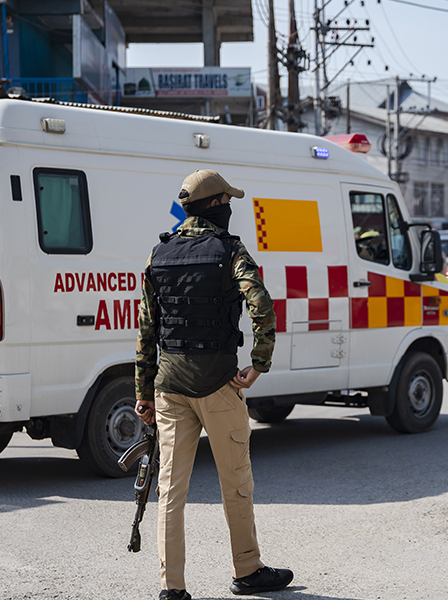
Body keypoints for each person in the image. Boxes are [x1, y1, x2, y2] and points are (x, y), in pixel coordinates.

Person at [135, 169, 293, 599]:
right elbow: (261, 306)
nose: (229, 208)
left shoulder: (158, 254)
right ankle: (248, 570)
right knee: (236, 481)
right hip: (219, 385)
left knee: (171, 489)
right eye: (227, 201)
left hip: (168, 388)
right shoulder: (230, 250)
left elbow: (147, 330)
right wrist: (258, 364)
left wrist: (142, 394)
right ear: (214, 206)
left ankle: (172, 588)